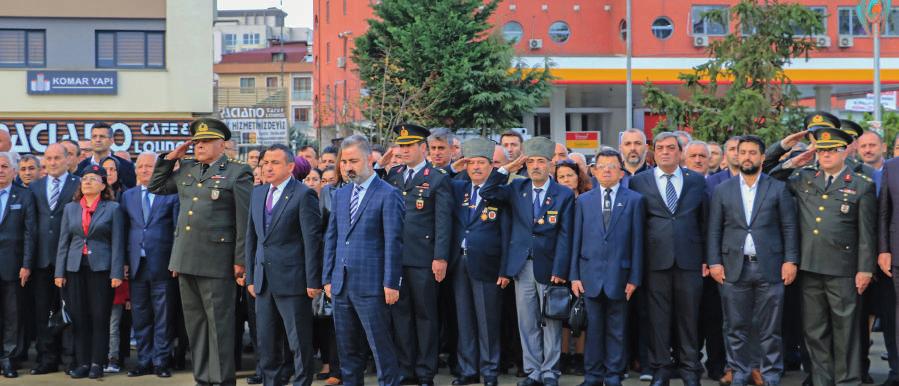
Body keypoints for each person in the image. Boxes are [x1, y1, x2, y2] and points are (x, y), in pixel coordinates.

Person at [769, 112, 876, 386]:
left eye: (832, 150)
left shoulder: (861, 185)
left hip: (843, 269)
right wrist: (793, 158)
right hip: (810, 266)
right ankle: (822, 381)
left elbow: (867, 233)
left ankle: (848, 381)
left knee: (846, 331)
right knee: (814, 331)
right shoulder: (804, 178)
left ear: (844, 151)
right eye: (822, 150)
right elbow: (771, 177)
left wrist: (865, 269)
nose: (825, 155)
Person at [148, 118, 253, 386]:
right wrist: (171, 158)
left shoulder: (237, 173)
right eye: (196, 142)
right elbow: (156, 187)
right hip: (186, 259)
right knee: (195, 325)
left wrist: (240, 260)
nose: (199, 146)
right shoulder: (187, 170)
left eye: (205, 142)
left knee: (219, 324)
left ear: (222, 144)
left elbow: (244, 221)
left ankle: (221, 379)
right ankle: (203, 378)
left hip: (218, 260)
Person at [480, 137, 575, 386]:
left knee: (552, 321)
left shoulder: (563, 194)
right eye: (531, 161)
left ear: (551, 165)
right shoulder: (517, 188)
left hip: (551, 266)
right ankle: (533, 372)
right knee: (527, 322)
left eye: (540, 161)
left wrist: (561, 268)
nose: (535, 166)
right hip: (522, 266)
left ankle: (550, 372)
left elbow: (566, 236)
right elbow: (486, 192)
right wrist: (505, 170)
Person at [707, 135, 799, 386]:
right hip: (733, 267)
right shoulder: (722, 190)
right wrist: (714, 262)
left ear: (761, 157)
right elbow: (714, 229)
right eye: (742, 152)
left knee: (770, 328)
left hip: (770, 266)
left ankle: (769, 374)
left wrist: (790, 260)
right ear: (735, 156)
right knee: (735, 325)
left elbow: (789, 227)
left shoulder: (777, 188)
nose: (746, 156)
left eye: (752, 152)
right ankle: (740, 372)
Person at [627, 132, 707, 386]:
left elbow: (704, 221)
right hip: (655, 261)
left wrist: (707, 257)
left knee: (689, 318)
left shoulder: (696, 180)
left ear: (680, 152)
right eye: (660, 148)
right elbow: (636, 225)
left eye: (670, 148)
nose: (665, 152)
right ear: (653, 152)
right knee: (658, 319)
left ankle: (690, 370)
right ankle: (660, 369)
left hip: (690, 260)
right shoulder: (639, 182)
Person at [322, 135, 403, 386]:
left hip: (373, 285)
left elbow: (394, 241)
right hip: (341, 284)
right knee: (347, 350)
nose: (348, 167)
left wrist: (391, 282)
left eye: (353, 161)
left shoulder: (388, 194)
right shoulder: (341, 195)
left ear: (369, 160)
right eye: (344, 162)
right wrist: (327, 277)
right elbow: (332, 238)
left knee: (380, 347)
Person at [376, 124, 452, 386]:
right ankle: (406, 368)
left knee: (426, 316)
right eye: (401, 146)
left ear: (423, 148)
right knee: (400, 315)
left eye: (408, 146)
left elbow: (443, 223)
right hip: (396, 258)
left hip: (423, 258)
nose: (403, 151)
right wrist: (379, 167)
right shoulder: (394, 174)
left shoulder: (438, 177)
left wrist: (440, 257)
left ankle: (425, 371)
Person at [246, 144, 323, 386]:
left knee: (298, 341)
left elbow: (312, 242)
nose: (268, 167)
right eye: (265, 162)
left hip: (293, 281)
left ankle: (302, 382)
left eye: (275, 163)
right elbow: (251, 238)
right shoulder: (258, 193)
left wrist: (313, 281)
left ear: (290, 167)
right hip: (263, 281)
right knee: (266, 341)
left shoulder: (303, 194)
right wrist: (250, 277)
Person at [570, 148, 645, 386]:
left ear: (621, 172)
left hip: (620, 276)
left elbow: (637, 243)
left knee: (617, 330)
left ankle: (614, 375)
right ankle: (593, 375)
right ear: (593, 171)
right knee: (593, 330)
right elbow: (576, 240)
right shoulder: (583, 201)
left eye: (612, 166)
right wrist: (574, 275)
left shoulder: (634, 200)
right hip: (589, 275)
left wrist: (634, 278)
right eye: (601, 166)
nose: (606, 171)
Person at [447, 138, 511, 386]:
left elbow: (506, 234)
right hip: (459, 263)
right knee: (464, 320)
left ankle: (490, 370)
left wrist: (505, 268)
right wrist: (453, 167)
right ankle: (468, 369)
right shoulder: (458, 187)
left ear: (490, 166)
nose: (475, 167)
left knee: (488, 321)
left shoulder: (499, 192)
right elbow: (437, 180)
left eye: (481, 163)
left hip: (488, 264)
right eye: (471, 162)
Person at [54, 164, 125, 379]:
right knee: (79, 317)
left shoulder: (112, 208)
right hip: (75, 268)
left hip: (101, 270)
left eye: (93, 179)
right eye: (84, 179)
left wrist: (116, 273)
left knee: (99, 317)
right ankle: (83, 362)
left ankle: (97, 363)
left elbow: (118, 243)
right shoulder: (71, 208)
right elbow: (63, 242)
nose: (87, 182)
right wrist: (59, 272)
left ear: (103, 185)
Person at [121, 152, 179, 378]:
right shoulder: (128, 196)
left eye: (149, 166)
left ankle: (161, 362)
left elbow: (176, 232)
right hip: (137, 265)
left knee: (163, 316)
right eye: (141, 166)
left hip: (162, 264)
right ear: (135, 171)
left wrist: (176, 261)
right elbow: (125, 231)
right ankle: (144, 361)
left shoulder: (171, 195)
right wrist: (125, 262)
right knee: (141, 316)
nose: (145, 170)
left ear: (158, 170)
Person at [25, 143, 81, 375]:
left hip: (68, 259)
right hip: (41, 261)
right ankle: (46, 359)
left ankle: (70, 359)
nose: (53, 162)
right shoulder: (35, 187)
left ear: (68, 159)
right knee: (42, 312)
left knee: (69, 311)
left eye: (58, 157)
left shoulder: (78, 184)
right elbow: (30, 225)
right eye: (48, 158)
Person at [0, 152, 36, 378]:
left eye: (5, 166)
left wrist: (27, 264)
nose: (0, 169)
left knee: (13, 316)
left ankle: (8, 359)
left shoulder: (23, 195)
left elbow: (30, 232)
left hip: (13, 266)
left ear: (14, 171)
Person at [75, 122, 136, 189]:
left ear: (111, 140)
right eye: (94, 137)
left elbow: (130, 193)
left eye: (102, 137)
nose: (98, 140)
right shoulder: (80, 167)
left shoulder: (126, 166)